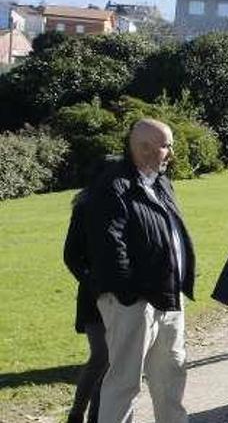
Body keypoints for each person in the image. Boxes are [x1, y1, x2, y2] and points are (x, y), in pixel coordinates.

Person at [88, 118, 196, 423]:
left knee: (171, 378)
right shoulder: (113, 186)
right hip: (133, 303)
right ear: (144, 148)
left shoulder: (160, 182)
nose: (170, 152)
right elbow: (108, 246)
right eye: (166, 145)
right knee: (124, 383)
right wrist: (127, 294)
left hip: (169, 296)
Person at [63, 157, 120, 423]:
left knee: (112, 361)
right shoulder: (85, 208)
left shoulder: (123, 205)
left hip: (123, 296)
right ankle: (76, 414)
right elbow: (71, 255)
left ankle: (98, 416)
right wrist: (92, 282)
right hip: (93, 296)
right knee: (102, 355)